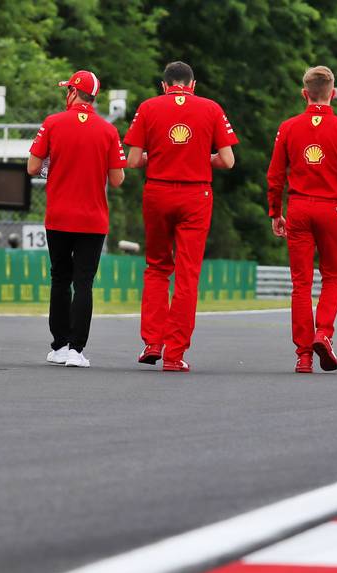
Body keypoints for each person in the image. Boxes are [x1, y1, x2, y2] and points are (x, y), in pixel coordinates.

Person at [123, 61, 238, 372]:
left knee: (157, 266)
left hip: (158, 192)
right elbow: (227, 160)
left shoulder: (148, 107)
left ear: (164, 85)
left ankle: (152, 341)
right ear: (193, 85)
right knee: (187, 273)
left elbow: (133, 160)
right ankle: (174, 354)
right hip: (195, 195)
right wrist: (201, 156)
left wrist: (158, 155)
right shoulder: (211, 108)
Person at [266, 65, 337, 374]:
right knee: (332, 277)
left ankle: (304, 356)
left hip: (297, 207)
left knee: (301, 284)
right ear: (333, 93)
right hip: (331, 210)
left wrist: (275, 211)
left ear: (304, 94)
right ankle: (323, 332)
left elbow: (274, 175)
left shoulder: (288, 127)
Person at [27, 70, 127, 369]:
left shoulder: (53, 123)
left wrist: (53, 166)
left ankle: (58, 345)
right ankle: (76, 349)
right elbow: (118, 179)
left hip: (58, 215)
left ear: (72, 92)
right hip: (93, 218)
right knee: (84, 282)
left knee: (60, 278)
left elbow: (32, 167)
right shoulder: (108, 130)